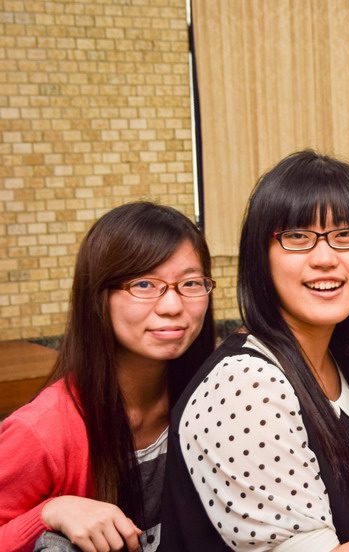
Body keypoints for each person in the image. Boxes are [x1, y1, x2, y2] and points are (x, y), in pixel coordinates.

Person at [161, 150, 349, 551]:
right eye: (297, 237)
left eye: (346, 235)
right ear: (261, 257)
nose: (325, 259)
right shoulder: (245, 385)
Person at [0, 202, 215, 552]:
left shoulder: (213, 399)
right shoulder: (41, 430)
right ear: (98, 295)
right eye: (144, 284)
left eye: (190, 283)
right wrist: (49, 512)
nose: (173, 306)